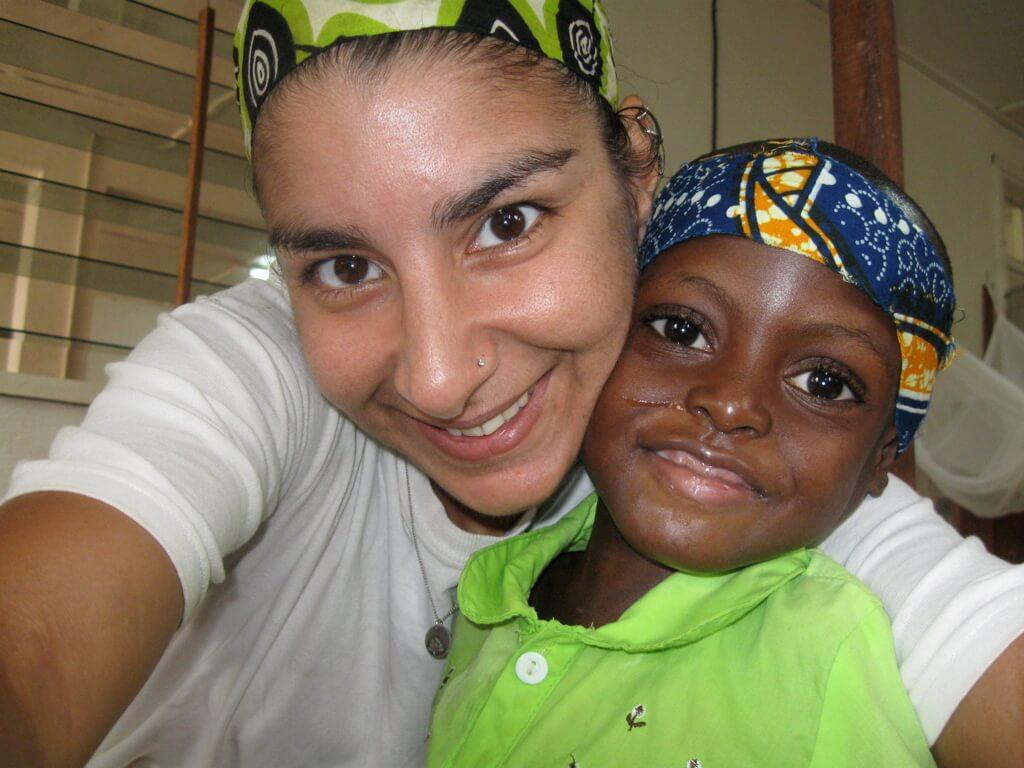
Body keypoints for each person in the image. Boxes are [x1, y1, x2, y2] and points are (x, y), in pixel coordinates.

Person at [0, 2, 1020, 766]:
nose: (441, 378)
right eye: (345, 268)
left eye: (507, 222)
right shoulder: (254, 372)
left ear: (634, 182)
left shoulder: (720, 469)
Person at [427, 139, 951, 767]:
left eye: (824, 384)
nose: (732, 404)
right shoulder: (489, 588)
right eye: (682, 330)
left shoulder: (825, 658)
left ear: (878, 462)